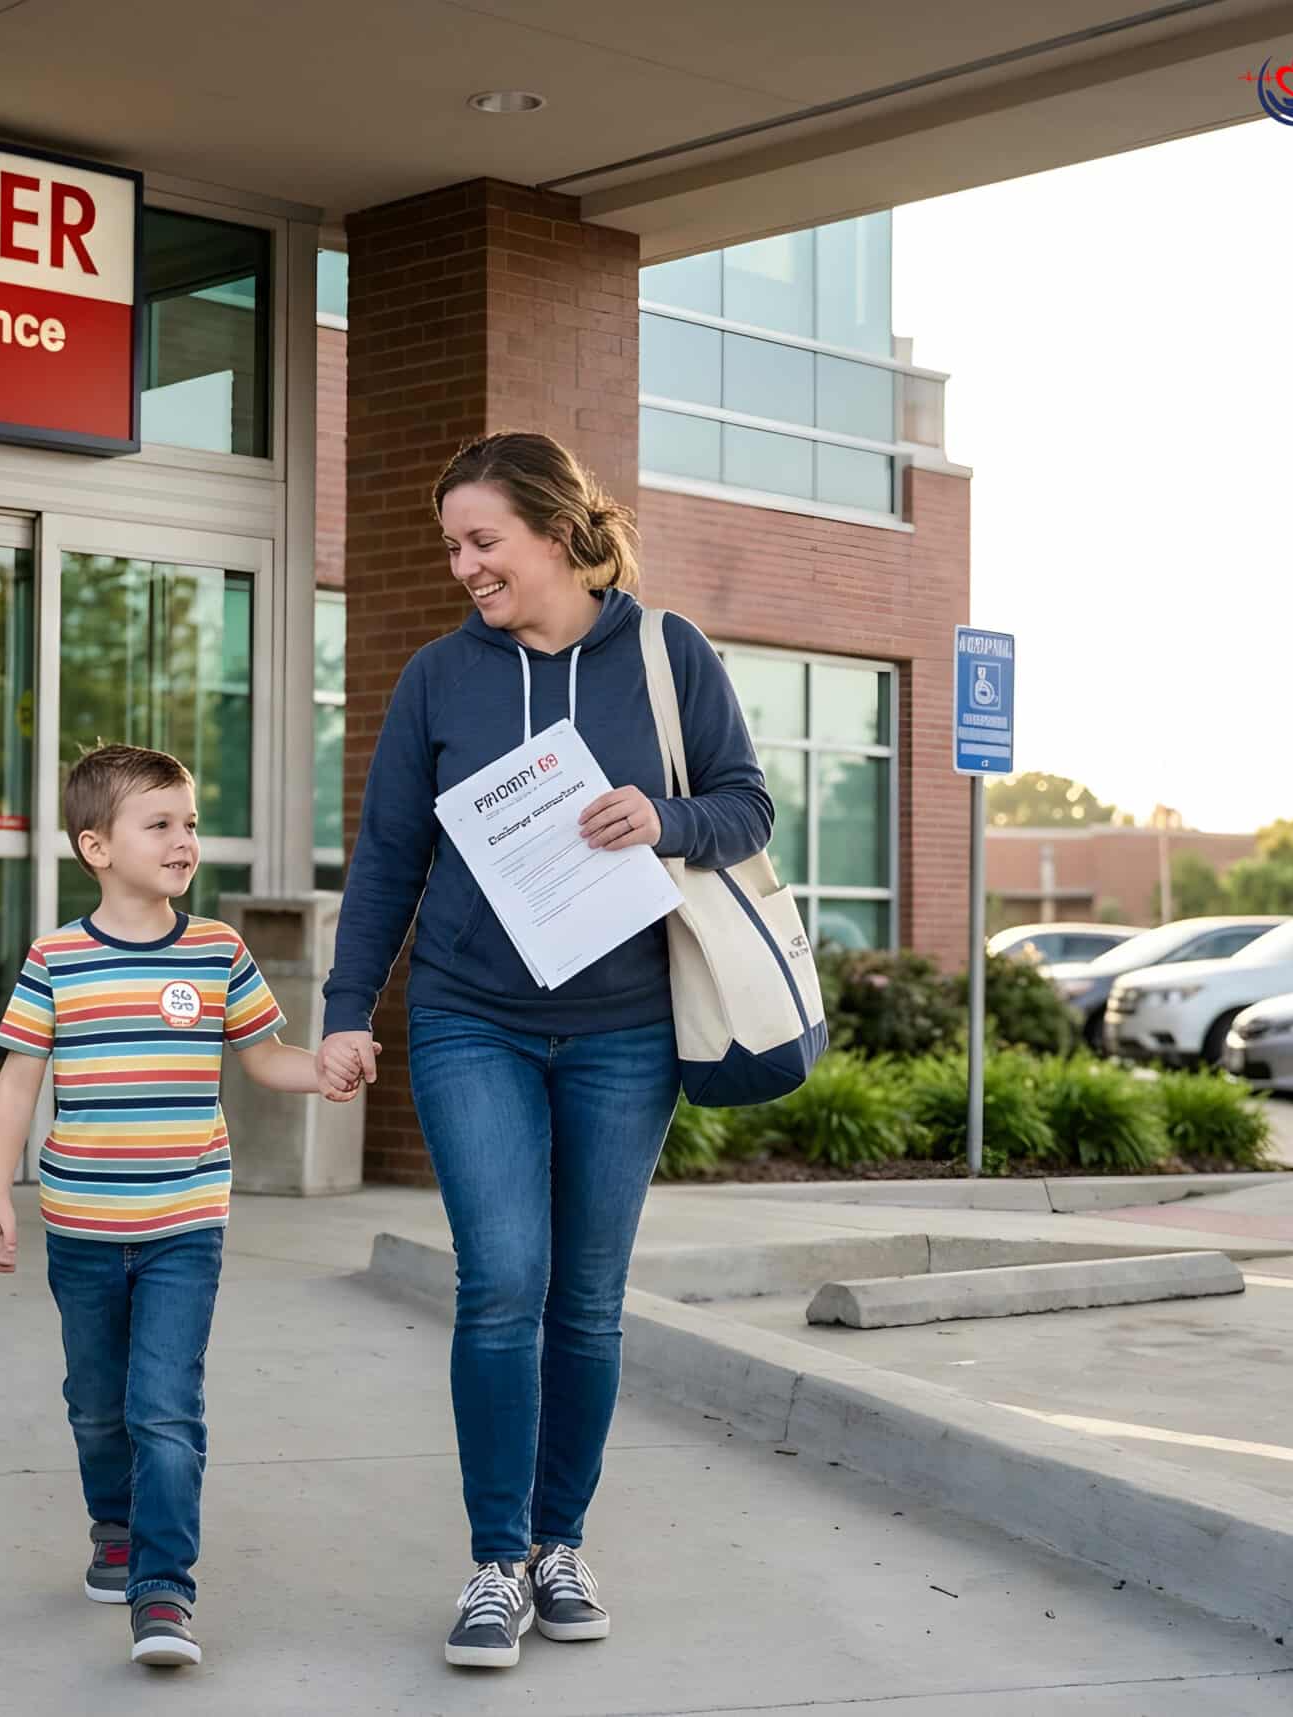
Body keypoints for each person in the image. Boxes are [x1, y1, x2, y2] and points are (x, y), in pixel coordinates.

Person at [316, 432, 772, 1668]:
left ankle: (557, 1545)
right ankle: (489, 1563)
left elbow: (746, 802)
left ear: (561, 533)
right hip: (473, 1019)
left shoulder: (670, 654)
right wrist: (348, 1008)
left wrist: (664, 817)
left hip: (626, 1029)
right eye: (452, 545)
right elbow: (388, 859)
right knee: (501, 1278)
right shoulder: (437, 679)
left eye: (482, 541)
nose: (464, 564)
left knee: (584, 1299)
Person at [0, 743, 355, 1669]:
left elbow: (264, 1057)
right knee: (97, 1405)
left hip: (186, 1222)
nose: (184, 839)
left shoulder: (218, 950)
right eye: (161, 824)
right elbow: (18, 1084)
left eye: (189, 822)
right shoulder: (57, 958)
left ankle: (163, 1592)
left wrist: (324, 1069)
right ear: (96, 846)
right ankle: (114, 1524)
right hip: (83, 1227)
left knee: (165, 1407)